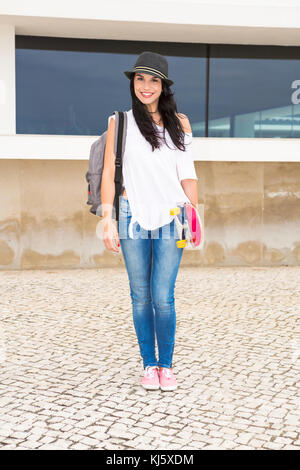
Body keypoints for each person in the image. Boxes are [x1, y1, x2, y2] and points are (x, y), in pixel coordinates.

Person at [101, 51, 199, 391]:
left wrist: (194, 215)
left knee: (163, 296)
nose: (146, 86)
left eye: (153, 80)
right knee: (140, 295)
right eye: (140, 79)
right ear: (133, 83)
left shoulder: (180, 123)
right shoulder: (120, 122)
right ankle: (148, 365)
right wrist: (106, 218)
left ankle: (166, 366)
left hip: (173, 215)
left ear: (163, 86)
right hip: (130, 214)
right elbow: (106, 173)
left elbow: (187, 175)